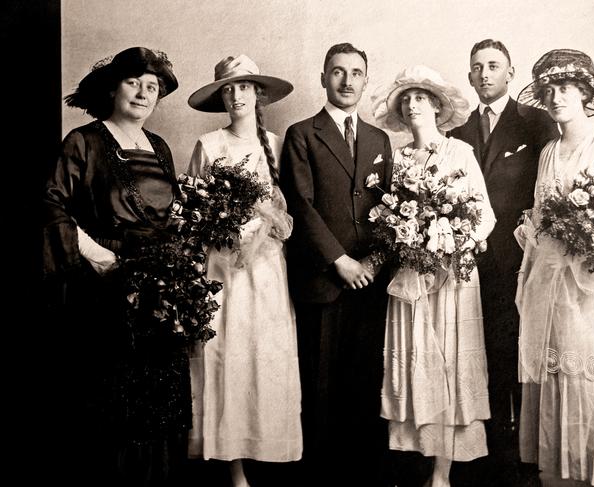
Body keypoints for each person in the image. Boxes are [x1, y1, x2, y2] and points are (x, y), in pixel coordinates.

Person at [42, 47, 187, 485]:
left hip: (157, 285)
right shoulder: (83, 141)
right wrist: (98, 255)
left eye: (153, 87)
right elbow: (52, 205)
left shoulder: (159, 146)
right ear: (112, 87)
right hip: (103, 283)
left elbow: (172, 212)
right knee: (111, 394)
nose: (144, 93)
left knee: (157, 396)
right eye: (134, 82)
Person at [514, 48, 594, 487]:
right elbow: (539, 213)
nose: (556, 98)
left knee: (588, 372)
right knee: (557, 372)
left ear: (585, 92)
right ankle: (562, 475)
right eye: (548, 91)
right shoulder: (549, 151)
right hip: (550, 282)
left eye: (565, 89)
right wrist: (533, 232)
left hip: (592, 282)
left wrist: (592, 230)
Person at [372, 64, 496, 487]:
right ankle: (422, 464)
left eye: (421, 98)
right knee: (420, 361)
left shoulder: (460, 153)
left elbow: (484, 215)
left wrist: (453, 241)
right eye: (406, 100)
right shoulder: (396, 158)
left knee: (451, 362)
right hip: (412, 277)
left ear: (438, 107)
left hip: (453, 278)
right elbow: (387, 219)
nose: (412, 105)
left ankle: (442, 473)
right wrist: (406, 238)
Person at [280, 42, 393, 486]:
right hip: (324, 279)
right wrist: (340, 261)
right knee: (321, 387)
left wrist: (375, 261)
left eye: (356, 73)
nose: (347, 81)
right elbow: (300, 206)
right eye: (338, 72)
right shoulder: (302, 134)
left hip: (370, 280)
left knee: (364, 382)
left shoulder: (379, 139)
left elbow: (390, 209)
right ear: (323, 78)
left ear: (366, 80)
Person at [186, 54, 302, 487]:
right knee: (228, 351)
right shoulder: (210, 146)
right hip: (224, 267)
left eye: (245, 87)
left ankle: (268, 449)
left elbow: (291, 210)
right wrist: (227, 228)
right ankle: (233, 465)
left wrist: (266, 223)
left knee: (265, 352)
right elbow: (193, 214)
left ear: (259, 94)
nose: (237, 96)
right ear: (222, 97)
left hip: (268, 267)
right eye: (229, 89)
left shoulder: (276, 145)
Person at [448, 38, 558, 485]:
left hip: (524, 262)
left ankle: (526, 462)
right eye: (477, 67)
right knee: (485, 359)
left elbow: (551, 189)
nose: (485, 74)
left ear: (510, 73)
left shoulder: (535, 122)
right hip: (474, 266)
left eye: (494, 66)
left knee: (522, 359)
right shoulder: (456, 132)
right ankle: (492, 459)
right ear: (469, 76)